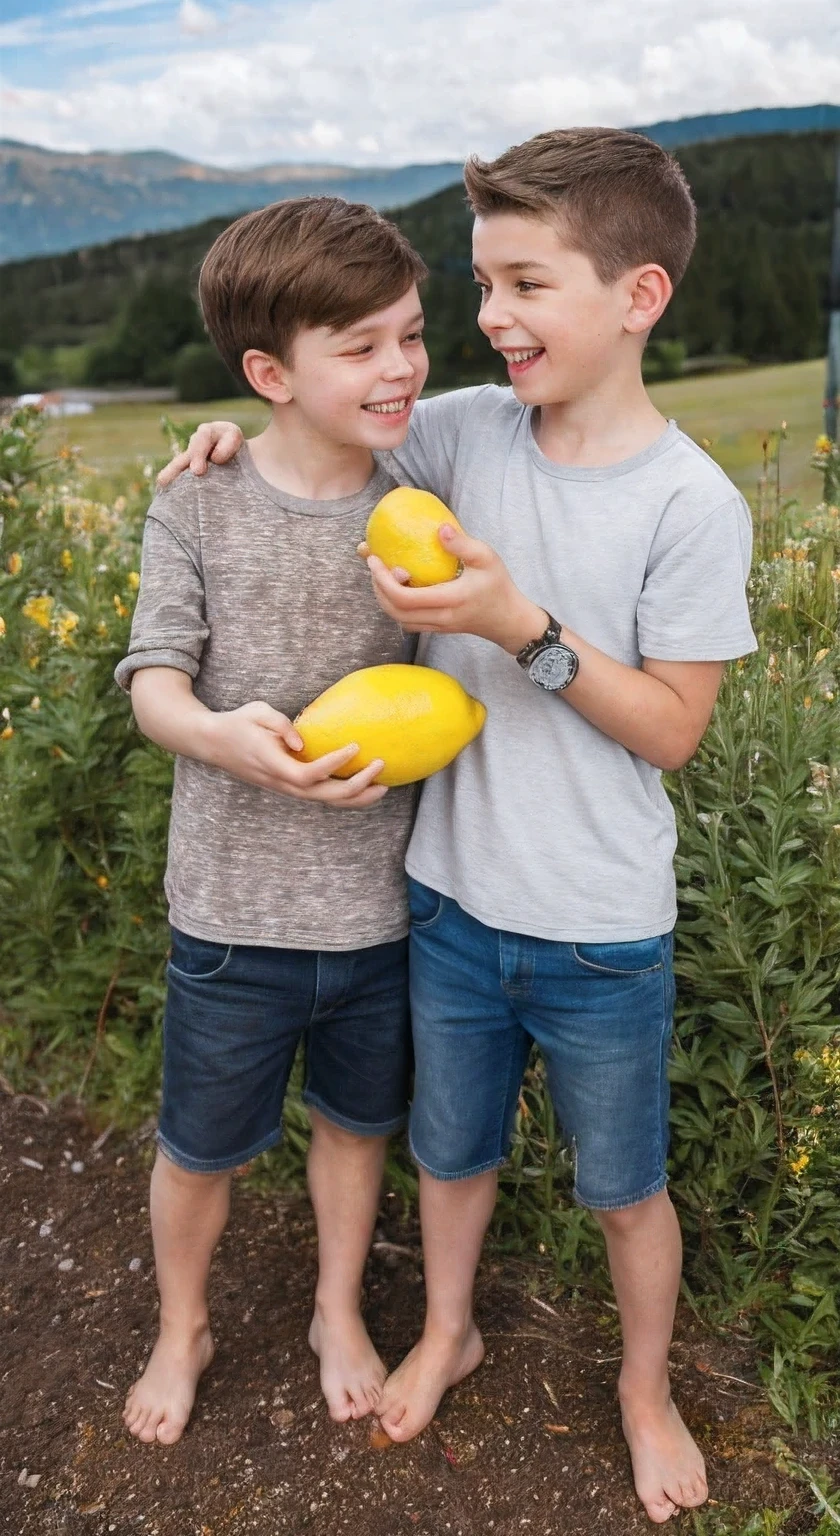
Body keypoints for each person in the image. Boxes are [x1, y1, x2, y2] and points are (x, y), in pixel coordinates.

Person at [161, 126, 757, 1523]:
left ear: (638, 297)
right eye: (481, 287)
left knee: (623, 1191)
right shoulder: (464, 429)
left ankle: (644, 1385)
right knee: (452, 1158)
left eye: (525, 286)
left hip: (604, 925)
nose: (487, 321)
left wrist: (522, 628)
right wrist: (224, 443)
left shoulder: (695, 503)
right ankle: (445, 1327)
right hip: (446, 898)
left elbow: (673, 728)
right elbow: (326, 413)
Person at [115, 195, 432, 1445]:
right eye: (359, 347)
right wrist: (218, 736)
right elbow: (153, 681)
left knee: (357, 1133)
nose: (400, 366)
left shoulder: (423, 495)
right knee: (200, 1147)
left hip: (384, 907)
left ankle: (335, 1309)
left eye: (411, 335)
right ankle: (181, 1323)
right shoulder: (197, 501)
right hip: (234, 913)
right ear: (269, 374)